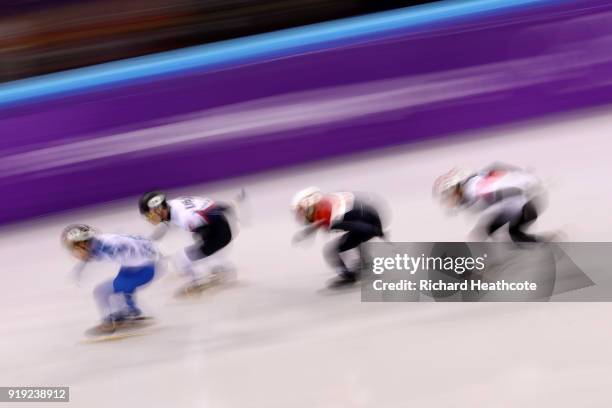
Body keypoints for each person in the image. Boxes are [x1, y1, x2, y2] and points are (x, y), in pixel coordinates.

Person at [62, 224, 159, 334]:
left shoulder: (106, 248)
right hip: (140, 265)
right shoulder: (101, 242)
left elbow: (101, 252)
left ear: (84, 244)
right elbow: (136, 242)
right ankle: (130, 313)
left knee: (101, 291)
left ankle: (109, 323)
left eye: (74, 248)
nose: (74, 253)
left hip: (143, 269)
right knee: (120, 287)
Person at [138, 190, 240, 293]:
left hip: (220, 232)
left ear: (158, 209)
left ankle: (199, 282)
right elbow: (165, 226)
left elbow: (208, 230)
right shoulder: (171, 205)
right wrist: (149, 240)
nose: (148, 218)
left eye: (149, 214)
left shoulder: (185, 218)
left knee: (181, 259)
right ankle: (220, 267)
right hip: (216, 223)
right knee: (196, 250)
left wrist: (196, 254)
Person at [291, 187, 386, 288]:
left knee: (332, 251)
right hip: (369, 215)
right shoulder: (324, 205)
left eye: (301, 211)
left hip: (368, 222)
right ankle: (366, 264)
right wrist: (306, 233)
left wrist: (375, 231)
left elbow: (354, 226)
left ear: (309, 204)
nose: (301, 215)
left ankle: (349, 276)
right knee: (355, 237)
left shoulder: (331, 217)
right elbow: (325, 221)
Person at [433, 163, 547, 243]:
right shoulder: (474, 182)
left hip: (523, 205)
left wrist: (529, 185)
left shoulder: (475, 190)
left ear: (458, 187)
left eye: (451, 194)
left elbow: (508, 191)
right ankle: (545, 244)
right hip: (523, 202)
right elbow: (497, 169)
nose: (451, 199)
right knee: (507, 234)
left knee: (490, 233)